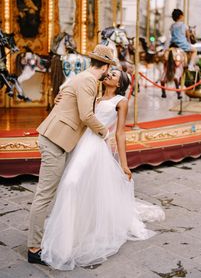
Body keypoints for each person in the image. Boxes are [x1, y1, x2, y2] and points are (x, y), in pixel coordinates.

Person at [40, 68, 165, 270]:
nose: (109, 75)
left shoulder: (120, 102)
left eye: (114, 75)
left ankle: (66, 241)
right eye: (110, 72)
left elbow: (120, 134)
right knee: (79, 186)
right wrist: (59, 99)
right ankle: (74, 229)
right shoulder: (94, 95)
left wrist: (124, 164)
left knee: (71, 183)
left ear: (119, 83)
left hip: (94, 146)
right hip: (78, 142)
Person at [28, 44, 116, 265]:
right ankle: (34, 248)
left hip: (60, 139)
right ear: (105, 67)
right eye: (109, 68)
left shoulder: (84, 78)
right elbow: (86, 115)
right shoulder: (87, 80)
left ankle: (53, 235)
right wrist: (105, 133)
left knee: (59, 190)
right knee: (45, 195)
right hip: (55, 140)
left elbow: (65, 94)